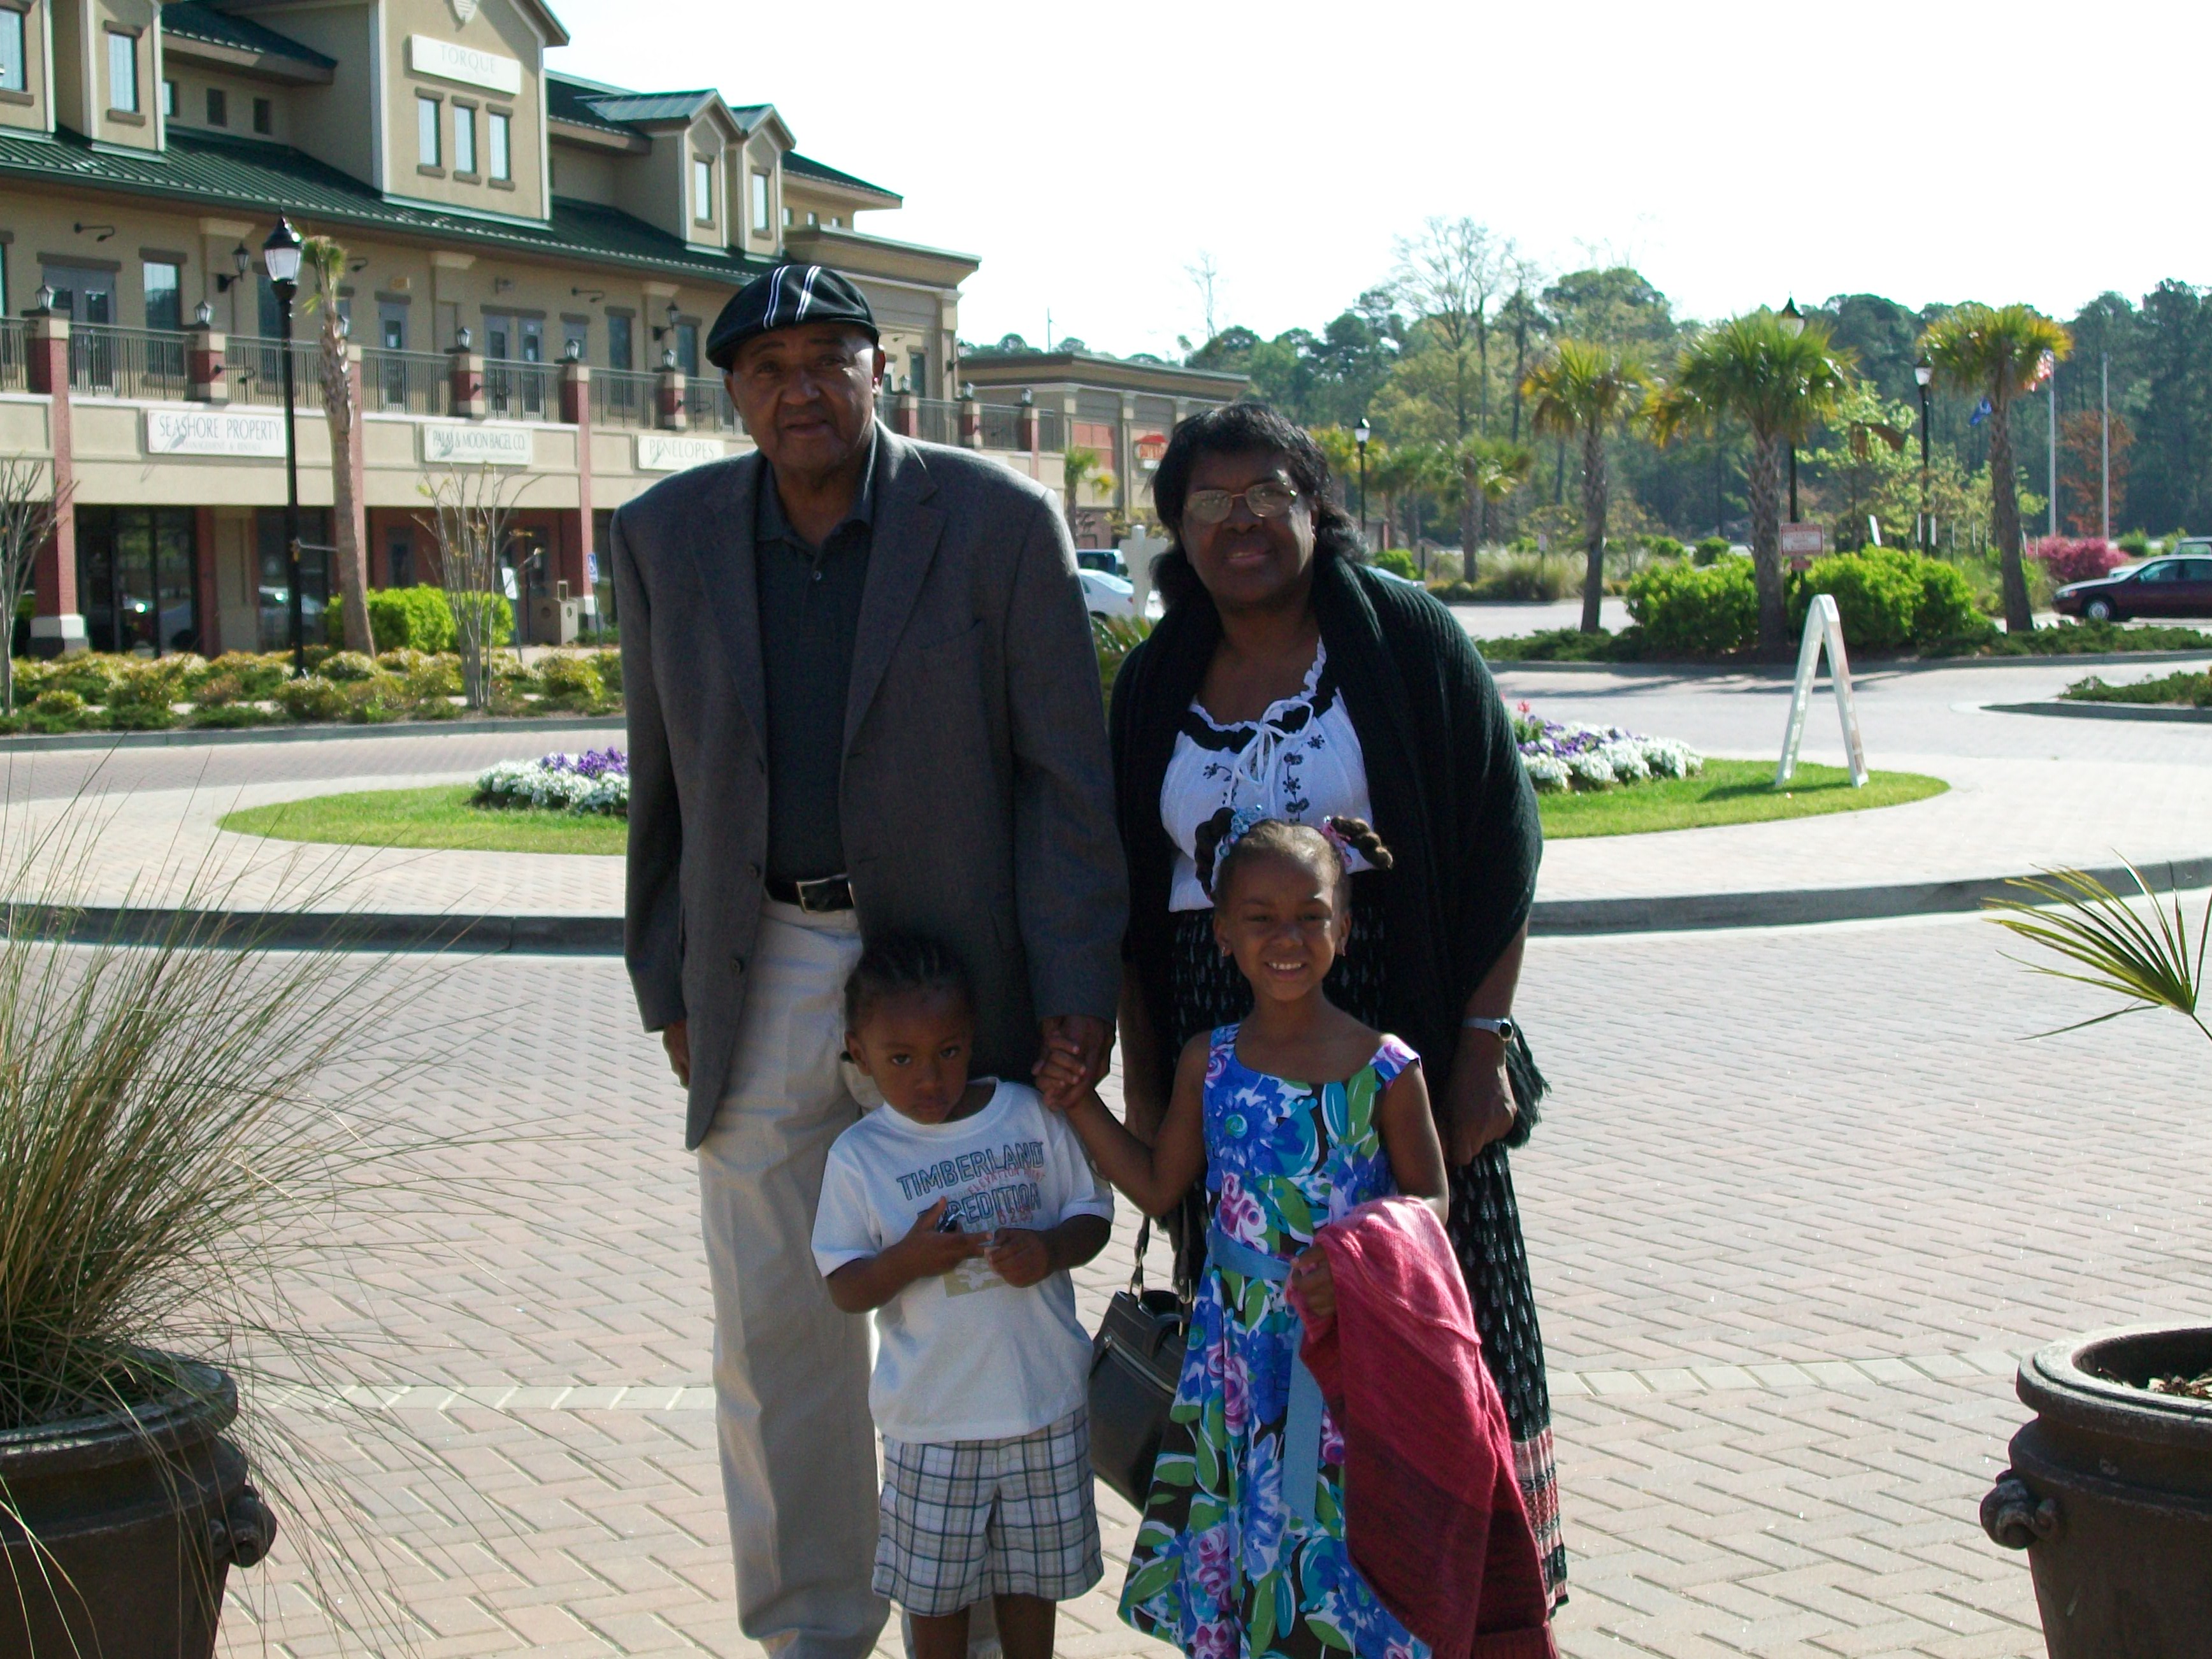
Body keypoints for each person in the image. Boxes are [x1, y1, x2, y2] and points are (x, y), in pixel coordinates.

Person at [614, 262, 1126, 1659]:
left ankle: (987, 1628)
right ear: (731, 393)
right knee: (774, 1329)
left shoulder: (996, 523)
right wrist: (671, 983)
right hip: (762, 964)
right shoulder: (663, 537)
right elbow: (661, 785)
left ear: (878, 372)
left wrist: (1075, 991)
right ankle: (813, 1626)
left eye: (827, 359)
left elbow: (1064, 780)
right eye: (767, 367)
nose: (800, 389)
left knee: (977, 1299)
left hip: (953, 982)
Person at [1107, 403, 1566, 1602]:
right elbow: (1131, 902)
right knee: (1264, 1342)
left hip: (1396, 1044)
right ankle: (1284, 1601)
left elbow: (1501, 842)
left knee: (1424, 1315)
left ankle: (1461, 1603)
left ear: (1317, 507)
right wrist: (1147, 1079)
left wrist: (1479, 1042)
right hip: (1232, 1075)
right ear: (1175, 530)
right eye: (1210, 502)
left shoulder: (1400, 637)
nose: (1242, 521)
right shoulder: (1155, 681)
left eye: (1270, 493)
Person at [1045, 813, 1453, 1657]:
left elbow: (1432, 1200)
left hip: (1348, 1357)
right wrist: (1079, 1104)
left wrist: (1361, 1266)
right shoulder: (1213, 1062)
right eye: (1260, 919)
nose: (1287, 938)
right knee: (1252, 1545)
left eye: (1310, 916)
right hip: (1236, 1361)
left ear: (1344, 926)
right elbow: (1159, 1186)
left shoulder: (1386, 1069)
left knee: (1342, 1548)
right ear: (1223, 934)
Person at [812, 933, 1114, 1659]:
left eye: (948, 1051)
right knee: (935, 1596)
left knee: (1030, 1589)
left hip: (1042, 1406)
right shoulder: (861, 1156)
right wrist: (906, 1260)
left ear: (973, 1036)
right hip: (932, 1423)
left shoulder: (1026, 1114)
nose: (929, 1078)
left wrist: (1049, 1251)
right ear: (857, 1052)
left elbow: (1092, 1214)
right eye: (901, 1059)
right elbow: (845, 1285)